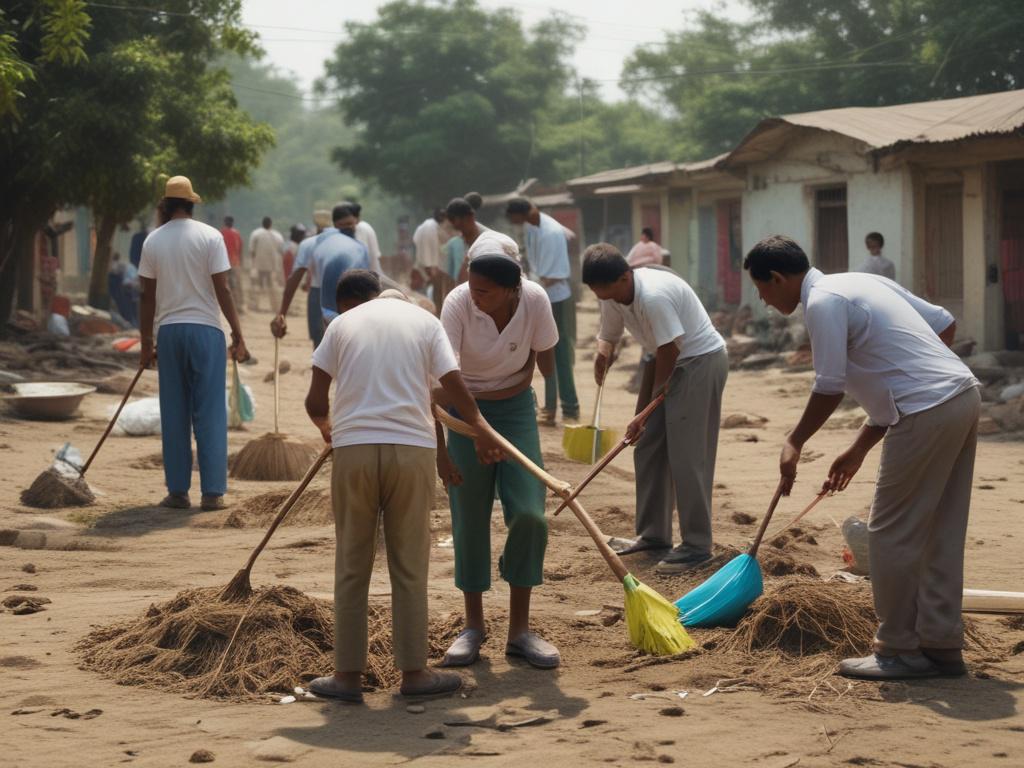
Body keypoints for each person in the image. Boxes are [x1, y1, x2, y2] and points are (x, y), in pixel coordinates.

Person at [743, 234, 978, 681]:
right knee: (941, 528)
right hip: (961, 396)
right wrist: (859, 447)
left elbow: (829, 384)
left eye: (763, 289)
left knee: (889, 533)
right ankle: (942, 645)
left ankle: (898, 649)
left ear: (777, 277)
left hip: (926, 411)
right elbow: (944, 326)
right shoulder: (858, 282)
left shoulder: (822, 302)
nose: (764, 301)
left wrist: (794, 441)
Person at [304, 270, 504, 702]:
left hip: (354, 451)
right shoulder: (425, 323)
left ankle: (346, 678)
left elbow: (315, 400)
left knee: (352, 566)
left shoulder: (341, 324)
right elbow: (455, 388)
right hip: (411, 452)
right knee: (410, 566)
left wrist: (326, 427)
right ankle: (414, 675)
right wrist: (482, 429)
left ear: (358, 300)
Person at [434, 231, 561, 670]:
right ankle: (473, 626)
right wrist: (472, 428)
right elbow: (445, 374)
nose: (475, 297)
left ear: (513, 288)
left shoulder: (536, 300)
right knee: (468, 515)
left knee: (530, 513)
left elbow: (546, 356)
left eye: (485, 291)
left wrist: (551, 403)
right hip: (463, 411)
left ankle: (520, 630)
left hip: (516, 410)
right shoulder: (456, 303)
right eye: (472, 287)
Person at [583, 244, 727, 573]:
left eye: (603, 289)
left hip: (697, 361)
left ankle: (697, 544)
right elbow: (609, 333)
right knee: (646, 444)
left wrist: (647, 407)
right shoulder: (611, 294)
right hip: (660, 356)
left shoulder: (654, 296)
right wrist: (604, 352)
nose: (600, 296)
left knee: (687, 455)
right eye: (594, 291)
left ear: (624, 277)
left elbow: (671, 349)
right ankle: (654, 535)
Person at [138, 176, 248, 512]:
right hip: (206, 332)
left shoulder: (152, 241)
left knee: (174, 412)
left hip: (169, 333)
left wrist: (146, 344)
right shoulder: (210, 236)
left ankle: (177, 492)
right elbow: (223, 289)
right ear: (192, 204)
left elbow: (146, 296)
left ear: (166, 205)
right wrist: (237, 333)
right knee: (209, 412)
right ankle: (213, 492)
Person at [505, 198, 578, 426]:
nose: (513, 223)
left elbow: (554, 275)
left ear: (521, 214)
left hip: (555, 296)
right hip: (541, 292)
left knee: (557, 351)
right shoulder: (530, 227)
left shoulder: (550, 232)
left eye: (512, 218)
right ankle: (553, 407)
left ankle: (567, 406)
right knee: (544, 350)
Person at [315, 205, 371, 323]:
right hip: (335, 295)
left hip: (353, 294)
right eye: (344, 225)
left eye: (351, 224)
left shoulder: (361, 244)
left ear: (356, 222)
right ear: (336, 225)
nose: (349, 227)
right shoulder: (326, 242)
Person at [445, 197, 490, 285]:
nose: (463, 234)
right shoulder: (458, 243)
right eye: (458, 229)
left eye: (462, 226)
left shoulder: (488, 240)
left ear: (471, 217)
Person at [412, 209, 449, 313]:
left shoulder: (427, 226)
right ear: (443, 219)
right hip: (429, 266)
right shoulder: (431, 228)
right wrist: (430, 266)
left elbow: (415, 240)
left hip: (425, 265)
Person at [248, 216, 284, 311]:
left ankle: (254, 306)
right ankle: (276, 307)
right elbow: (281, 251)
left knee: (256, 286)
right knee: (272, 287)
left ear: (262, 223)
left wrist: (253, 263)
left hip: (258, 265)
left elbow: (251, 251)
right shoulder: (277, 236)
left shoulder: (255, 234)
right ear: (271, 224)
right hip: (272, 266)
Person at [349, 202, 384, 276]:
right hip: (373, 272)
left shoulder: (359, 228)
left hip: (368, 275)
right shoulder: (365, 225)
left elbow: (361, 258)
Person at [219, 216, 245, 314]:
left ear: (225, 222)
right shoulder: (237, 233)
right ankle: (238, 306)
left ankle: (225, 307)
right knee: (236, 285)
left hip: (223, 263)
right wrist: (240, 262)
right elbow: (241, 249)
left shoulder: (221, 233)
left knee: (224, 285)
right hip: (235, 263)